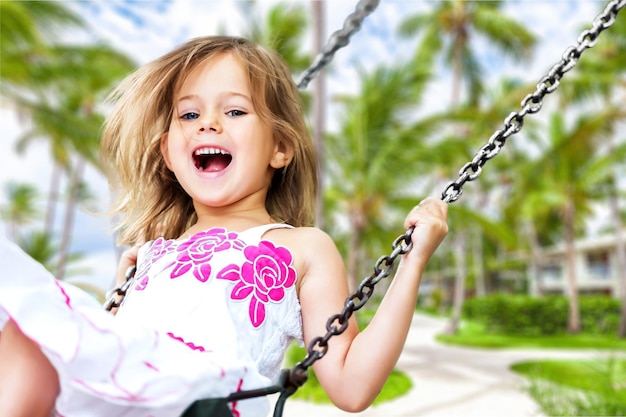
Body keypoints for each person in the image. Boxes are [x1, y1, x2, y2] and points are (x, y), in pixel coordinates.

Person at [0, 36, 448, 417]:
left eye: (235, 112)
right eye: (189, 115)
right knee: (28, 330)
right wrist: (121, 291)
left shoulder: (301, 247)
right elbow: (109, 353)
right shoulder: (154, 253)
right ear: (169, 152)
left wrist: (413, 260)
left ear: (280, 148)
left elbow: (351, 387)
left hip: (210, 401)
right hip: (129, 397)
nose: (208, 123)